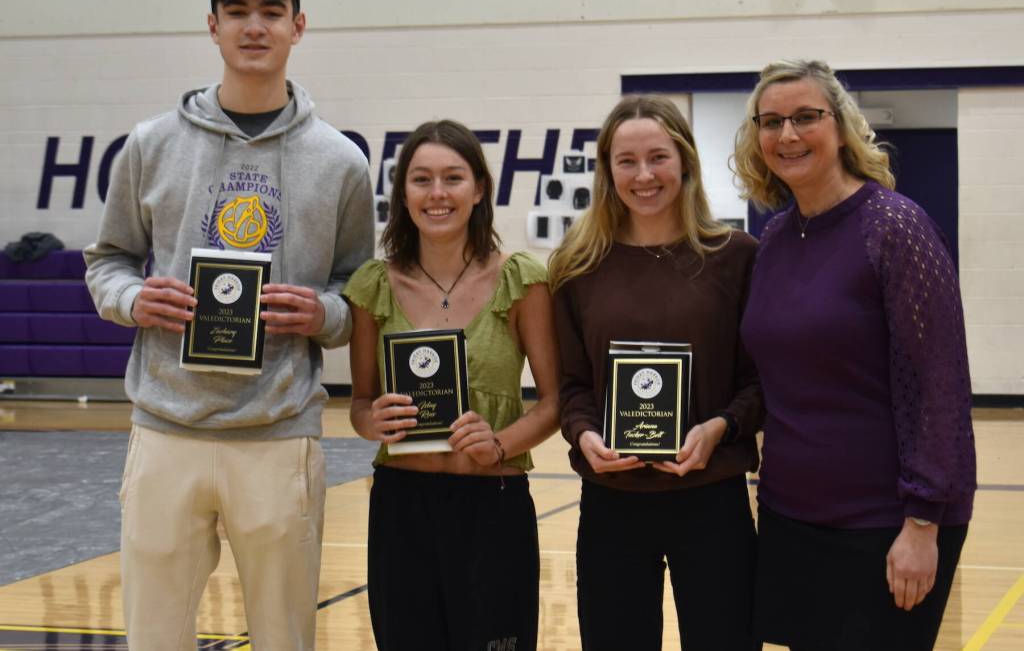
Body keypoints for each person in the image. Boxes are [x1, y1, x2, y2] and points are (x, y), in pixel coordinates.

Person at [84, 0, 374, 650]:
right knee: (155, 636)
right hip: (165, 427)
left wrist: (322, 313)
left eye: (271, 12)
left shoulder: (341, 161)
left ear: (297, 27)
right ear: (211, 26)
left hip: (278, 432)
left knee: (284, 637)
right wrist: (134, 299)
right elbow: (108, 262)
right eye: (237, 12)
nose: (254, 26)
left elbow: (361, 290)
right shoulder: (150, 145)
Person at [732, 59, 976, 650]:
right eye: (771, 122)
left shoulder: (896, 228)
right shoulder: (777, 239)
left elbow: (939, 387)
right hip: (792, 512)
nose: (787, 135)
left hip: (885, 519)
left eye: (806, 117)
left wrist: (922, 524)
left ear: (841, 127)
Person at [548, 94, 762, 651]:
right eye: (627, 161)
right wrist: (584, 433)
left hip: (712, 497)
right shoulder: (576, 264)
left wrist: (720, 427)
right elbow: (572, 385)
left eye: (658, 157)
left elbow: (759, 381)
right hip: (610, 500)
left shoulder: (737, 256)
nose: (644, 175)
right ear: (607, 170)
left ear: (685, 161)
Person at [343, 119, 561, 651]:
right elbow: (360, 403)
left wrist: (502, 443)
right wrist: (371, 421)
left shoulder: (522, 279)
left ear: (479, 188)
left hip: (494, 504)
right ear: (402, 193)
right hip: (401, 507)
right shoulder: (374, 285)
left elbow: (555, 402)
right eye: (421, 179)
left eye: (453, 178)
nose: (437, 194)